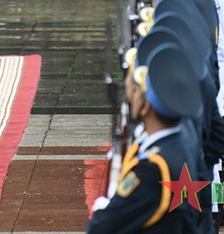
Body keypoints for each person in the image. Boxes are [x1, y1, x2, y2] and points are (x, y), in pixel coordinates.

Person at [87, 46, 202, 233]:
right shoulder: (184, 138)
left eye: (136, 92)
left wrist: (102, 205)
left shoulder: (152, 168)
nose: (131, 96)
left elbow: (102, 227)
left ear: (146, 106)